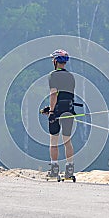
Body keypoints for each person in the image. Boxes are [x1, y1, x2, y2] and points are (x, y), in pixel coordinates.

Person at [46, 49, 75, 178]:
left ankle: (54, 170)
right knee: (67, 140)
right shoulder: (71, 76)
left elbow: (54, 94)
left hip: (57, 111)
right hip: (69, 110)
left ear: (55, 61)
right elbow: (67, 95)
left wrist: (51, 111)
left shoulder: (53, 75)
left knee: (54, 141)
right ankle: (69, 170)